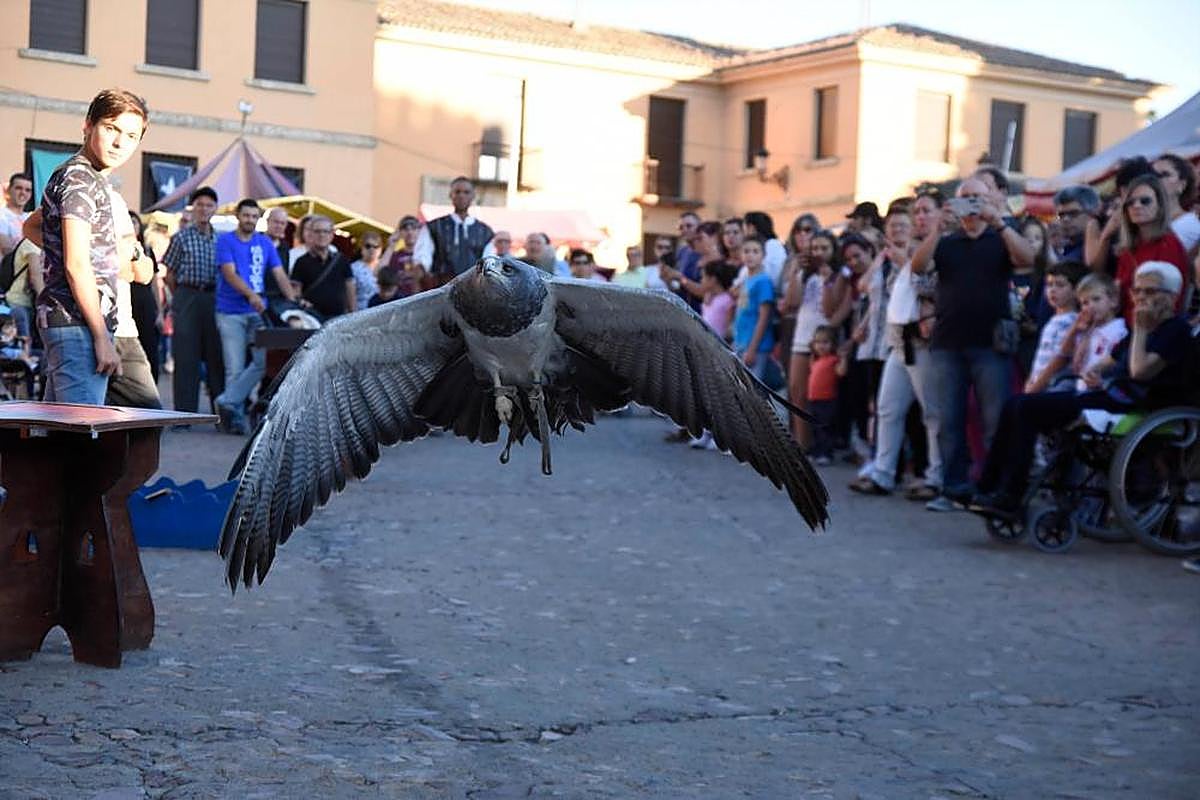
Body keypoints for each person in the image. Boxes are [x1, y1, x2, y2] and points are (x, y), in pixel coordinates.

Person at [971, 262, 1194, 515]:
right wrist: (1094, 370)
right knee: (1015, 403)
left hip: (1137, 404)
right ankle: (987, 486)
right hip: (1110, 395)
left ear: (1171, 296)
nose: (1141, 297)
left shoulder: (1175, 330)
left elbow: (1140, 371)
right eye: (1137, 291)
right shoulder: (1139, 329)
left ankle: (1011, 495)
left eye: (1150, 291)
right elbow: (1106, 362)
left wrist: (1141, 331)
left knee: (1027, 409)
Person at [910, 177, 1034, 509]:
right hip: (948, 343)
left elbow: (1028, 259)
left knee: (995, 422)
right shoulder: (948, 242)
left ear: (991, 200)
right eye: (965, 198)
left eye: (977, 198)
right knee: (949, 422)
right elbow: (918, 267)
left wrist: (1000, 224)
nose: (971, 205)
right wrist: (937, 230)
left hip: (990, 344)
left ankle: (994, 489)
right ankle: (954, 489)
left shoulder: (1001, 238)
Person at [24, 89, 149, 405]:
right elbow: (76, 265)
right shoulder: (79, 178)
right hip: (76, 323)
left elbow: (32, 226)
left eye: (131, 136)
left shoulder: (87, 177)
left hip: (72, 322)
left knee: (60, 428)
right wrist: (101, 336)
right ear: (88, 125)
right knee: (81, 429)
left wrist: (70, 249)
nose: (120, 143)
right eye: (111, 128)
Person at [213, 198, 300, 434]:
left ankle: (227, 401)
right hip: (230, 312)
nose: (249, 220)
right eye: (246, 215)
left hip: (257, 312)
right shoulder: (225, 241)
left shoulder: (265, 243)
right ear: (238, 216)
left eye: (254, 216)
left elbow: (280, 275)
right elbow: (229, 274)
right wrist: (251, 295)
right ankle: (234, 418)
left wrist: (294, 302)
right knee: (235, 368)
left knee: (263, 363)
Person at [161, 185, 225, 413]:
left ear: (215, 208)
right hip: (187, 295)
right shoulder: (181, 237)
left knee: (217, 355)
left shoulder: (222, 239)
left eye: (209, 205)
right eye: (200, 205)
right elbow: (169, 273)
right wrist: (181, 294)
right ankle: (184, 414)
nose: (204, 209)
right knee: (186, 356)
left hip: (215, 298)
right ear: (193, 208)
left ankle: (221, 412)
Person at [103, 187, 160, 409]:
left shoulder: (117, 201)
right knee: (83, 414)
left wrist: (131, 250)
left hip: (125, 330)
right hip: (88, 330)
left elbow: (145, 275)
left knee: (150, 410)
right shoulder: (75, 199)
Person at [1114, 174, 1189, 326]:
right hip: (1125, 326)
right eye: (1130, 202)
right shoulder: (1127, 250)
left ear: (1160, 206)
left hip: (1155, 327)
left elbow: (1170, 303)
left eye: (1145, 201)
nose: (1136, 206)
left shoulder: (1169, 244)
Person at [784, 230, 835, 446]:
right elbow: (791, 303)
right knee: (797, 393)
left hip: (826, 341)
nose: (819, 253)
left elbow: (831, 309)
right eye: (815, 248)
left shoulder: (838, 274)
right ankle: (801, 445)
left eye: (824, 248)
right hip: (802, 339)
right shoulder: (805, 275)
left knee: (822, 397)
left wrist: (827, 279)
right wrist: (795, 271)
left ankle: (823, 446)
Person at [413, 177, 494, 283]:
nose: (461, 196)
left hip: (473, 288)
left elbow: (488, 265)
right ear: (451, 195)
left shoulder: (485, 232)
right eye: (457, 192)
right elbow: (423, 259)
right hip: (441, 287)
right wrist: (419, 273)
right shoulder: (434, 227)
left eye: (466, 192)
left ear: (473, 196)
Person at [1024, 260, 1085, 394]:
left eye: (1060, 285)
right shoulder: (1054, 320)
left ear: (1077, 291)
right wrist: (1031, 380)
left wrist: (1035, 387)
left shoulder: (1072, 321)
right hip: (1040, 386)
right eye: (1049, 284)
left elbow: (1060, 359)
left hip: (1055, 387)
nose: (1052, 290)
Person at [291, 215, 355, 319]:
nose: (322, 235)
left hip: (337, 318)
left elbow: (350, 288)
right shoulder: (301, 262)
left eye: (326, 231)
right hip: (311, 318)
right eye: (317, 231)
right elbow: (296, 291)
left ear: (332, 235)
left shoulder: (341, 260)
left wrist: (353, 314)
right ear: (311, 234)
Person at [732, 237, 776, 382]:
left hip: (756, 347)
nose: (750, 255)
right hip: (741, 342)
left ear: (763, 255)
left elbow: (763, 318)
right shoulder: (746, 280)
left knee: (752, 388)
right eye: (746, 251)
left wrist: (752, 348)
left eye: (755, 251)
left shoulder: (763, 282)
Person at [126, 209, 162, 384]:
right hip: (126, 304)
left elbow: (154, 282)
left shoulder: (146, 250)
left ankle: (152, 383)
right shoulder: (116, 248)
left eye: (134, 222)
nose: (132, 225)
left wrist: (160, 311)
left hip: (145, 304)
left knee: (149, 347)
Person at [807, 326, 847, 466]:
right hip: (814, 400)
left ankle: (826, 453)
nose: (821, 346)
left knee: (825, 428)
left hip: (827, 400)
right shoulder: (816, 360)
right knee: (815, 428)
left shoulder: (833, 360)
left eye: (825, 342)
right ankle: (817, 451)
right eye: (818, 342)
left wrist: (843, 358)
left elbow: (841, 372)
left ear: (833, 344)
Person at [1152, 153, 1200, 255]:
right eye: (1152, 175)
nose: (1156, 180)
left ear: (1181, 185)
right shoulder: (1143, 222)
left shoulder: (1188, 225)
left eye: (1165, 174)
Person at [3, 237, 42, 340]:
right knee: (24, 341)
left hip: (23, 301)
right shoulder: (32, 243)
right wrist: (46, 301)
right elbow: (36, 276)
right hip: (19, 302)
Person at [1053, 185, 1100, 263]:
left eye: (1073, 213)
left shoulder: (1100, 250)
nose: (1065, 219)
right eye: (1061, 215)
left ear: (1092, 214)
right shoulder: (1064, 249)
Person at [743, 211, 786, 286]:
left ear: (751, 228)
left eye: (744, 228)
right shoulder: (773, 244)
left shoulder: (772, 245)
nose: (744, 233)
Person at [350, 230, 383, 311]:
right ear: (361, 247)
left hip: (384, 312)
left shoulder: (385, 265)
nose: (372, 249)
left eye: (376, 246)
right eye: (368, 246)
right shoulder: (353, 268)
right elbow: (350, 296)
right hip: (362, 312)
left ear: (381, 249)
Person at [1, 173, 33, 255]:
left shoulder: (31, 217)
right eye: (18, 188)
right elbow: (6, 249)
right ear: (9, 190)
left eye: (27, 190)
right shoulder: (2, 215)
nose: (23, 193)